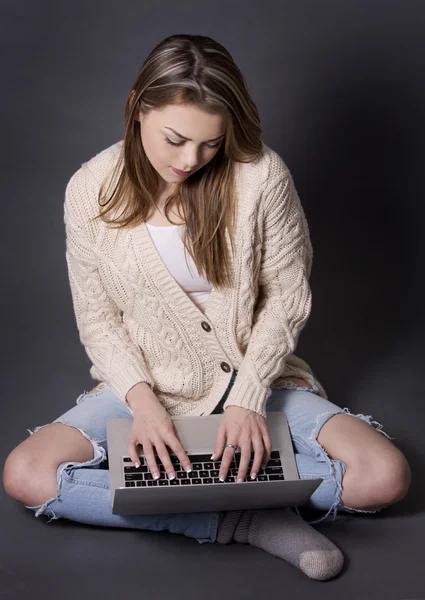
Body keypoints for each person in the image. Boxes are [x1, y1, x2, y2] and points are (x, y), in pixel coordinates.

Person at [3, 34, 411, 581]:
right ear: (135, 108)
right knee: (27, 474)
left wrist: (246, 400)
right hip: (145, 387)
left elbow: (287, 299)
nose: (190, 160)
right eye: (175, 139)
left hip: (255, 382)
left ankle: (223, 491)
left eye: (210, 145)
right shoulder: (89, 190)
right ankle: (238, 519)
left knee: (383, 476)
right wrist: (144, 405)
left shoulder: (261, 176)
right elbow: (98, 322)